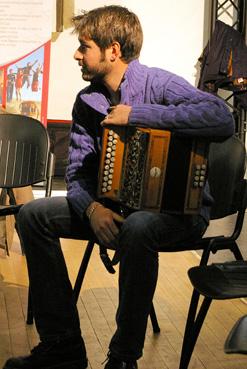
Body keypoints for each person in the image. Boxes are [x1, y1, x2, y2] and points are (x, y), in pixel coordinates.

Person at [3, 5, 235, 369]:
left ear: (113, 50)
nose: (77, 55)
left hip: (178, 214)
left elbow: (222, 118)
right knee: (32, 214)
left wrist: (137, 114)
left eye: (84, 46)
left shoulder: (159, 83)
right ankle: (62, 347)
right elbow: (78, 175)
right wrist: (91, 210)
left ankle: (124, 358)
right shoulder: (87, 102)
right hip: (112, 208)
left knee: (141, 226)